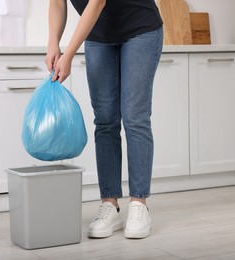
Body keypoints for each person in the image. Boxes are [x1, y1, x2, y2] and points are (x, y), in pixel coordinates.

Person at [45, 0, 163, 239]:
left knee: (135, 117)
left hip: (140, 29)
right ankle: (110, 204)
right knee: (105, 121)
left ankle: (139, 204)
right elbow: (57, 2)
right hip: (98, 36)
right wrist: (53, 43)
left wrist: (68, 54)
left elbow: (97, 2)